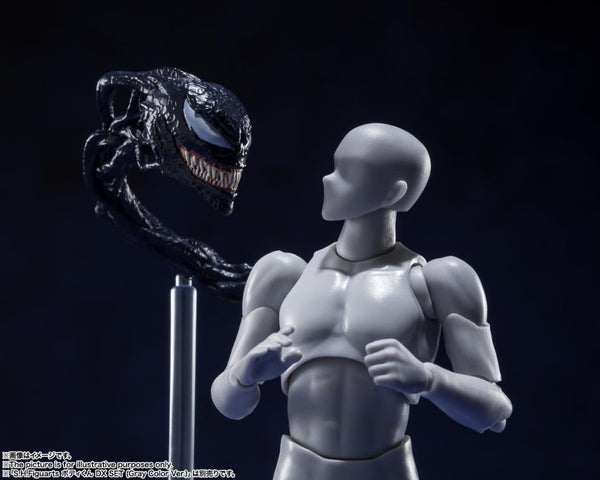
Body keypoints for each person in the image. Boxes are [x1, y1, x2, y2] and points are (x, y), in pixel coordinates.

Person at [211, 123, 512, 480]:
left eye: (347, 172)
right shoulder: (282, 275)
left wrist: (429, 379)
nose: (327, 179)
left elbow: (494, 413)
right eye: (334, 167)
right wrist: (245, 374)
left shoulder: (436, 282)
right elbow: (228, 403)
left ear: (393, 192)